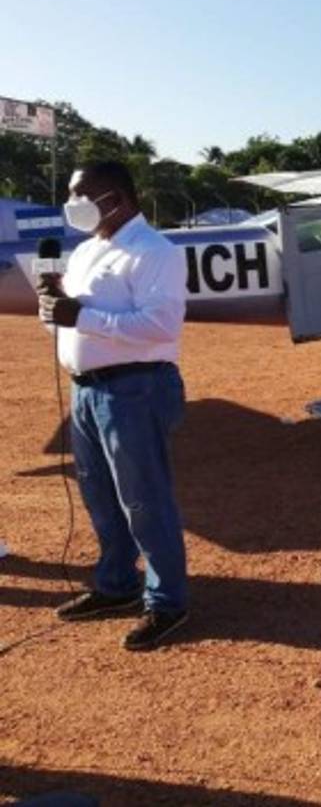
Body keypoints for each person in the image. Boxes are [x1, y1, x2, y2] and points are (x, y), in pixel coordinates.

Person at [36, 160, 190, 652]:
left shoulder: (154, 251)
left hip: (136, 389)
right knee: (99, 495)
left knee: (144, 499)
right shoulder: (86, 251)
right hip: (87, 391)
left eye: (82, 193)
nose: (73, 202)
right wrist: (56, 309)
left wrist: (81, 314)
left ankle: (167, 602)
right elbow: (77, 320)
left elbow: (160, 326)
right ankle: (117, 584)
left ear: (117, 196)